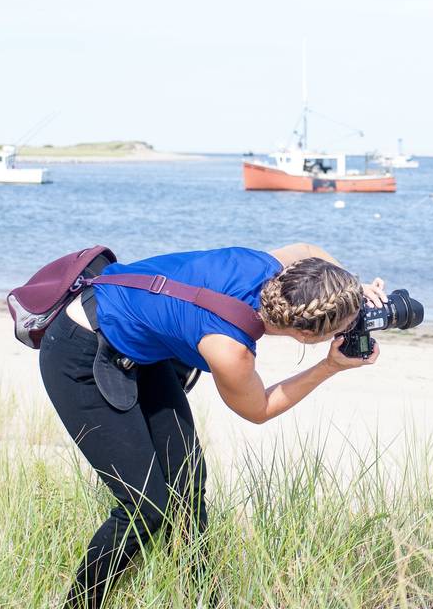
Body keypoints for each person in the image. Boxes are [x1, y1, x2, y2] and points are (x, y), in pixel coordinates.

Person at [38, 243, 385, 608]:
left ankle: (203, 600)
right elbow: (259, 408)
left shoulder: (262, 267)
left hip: (143, 347)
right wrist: (329, 367)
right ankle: (79, 604)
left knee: (186, 487)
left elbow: (308, 248)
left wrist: (349, 289)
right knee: (145, 508)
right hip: (79, 350)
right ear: (306, 336)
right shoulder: (229, 347)